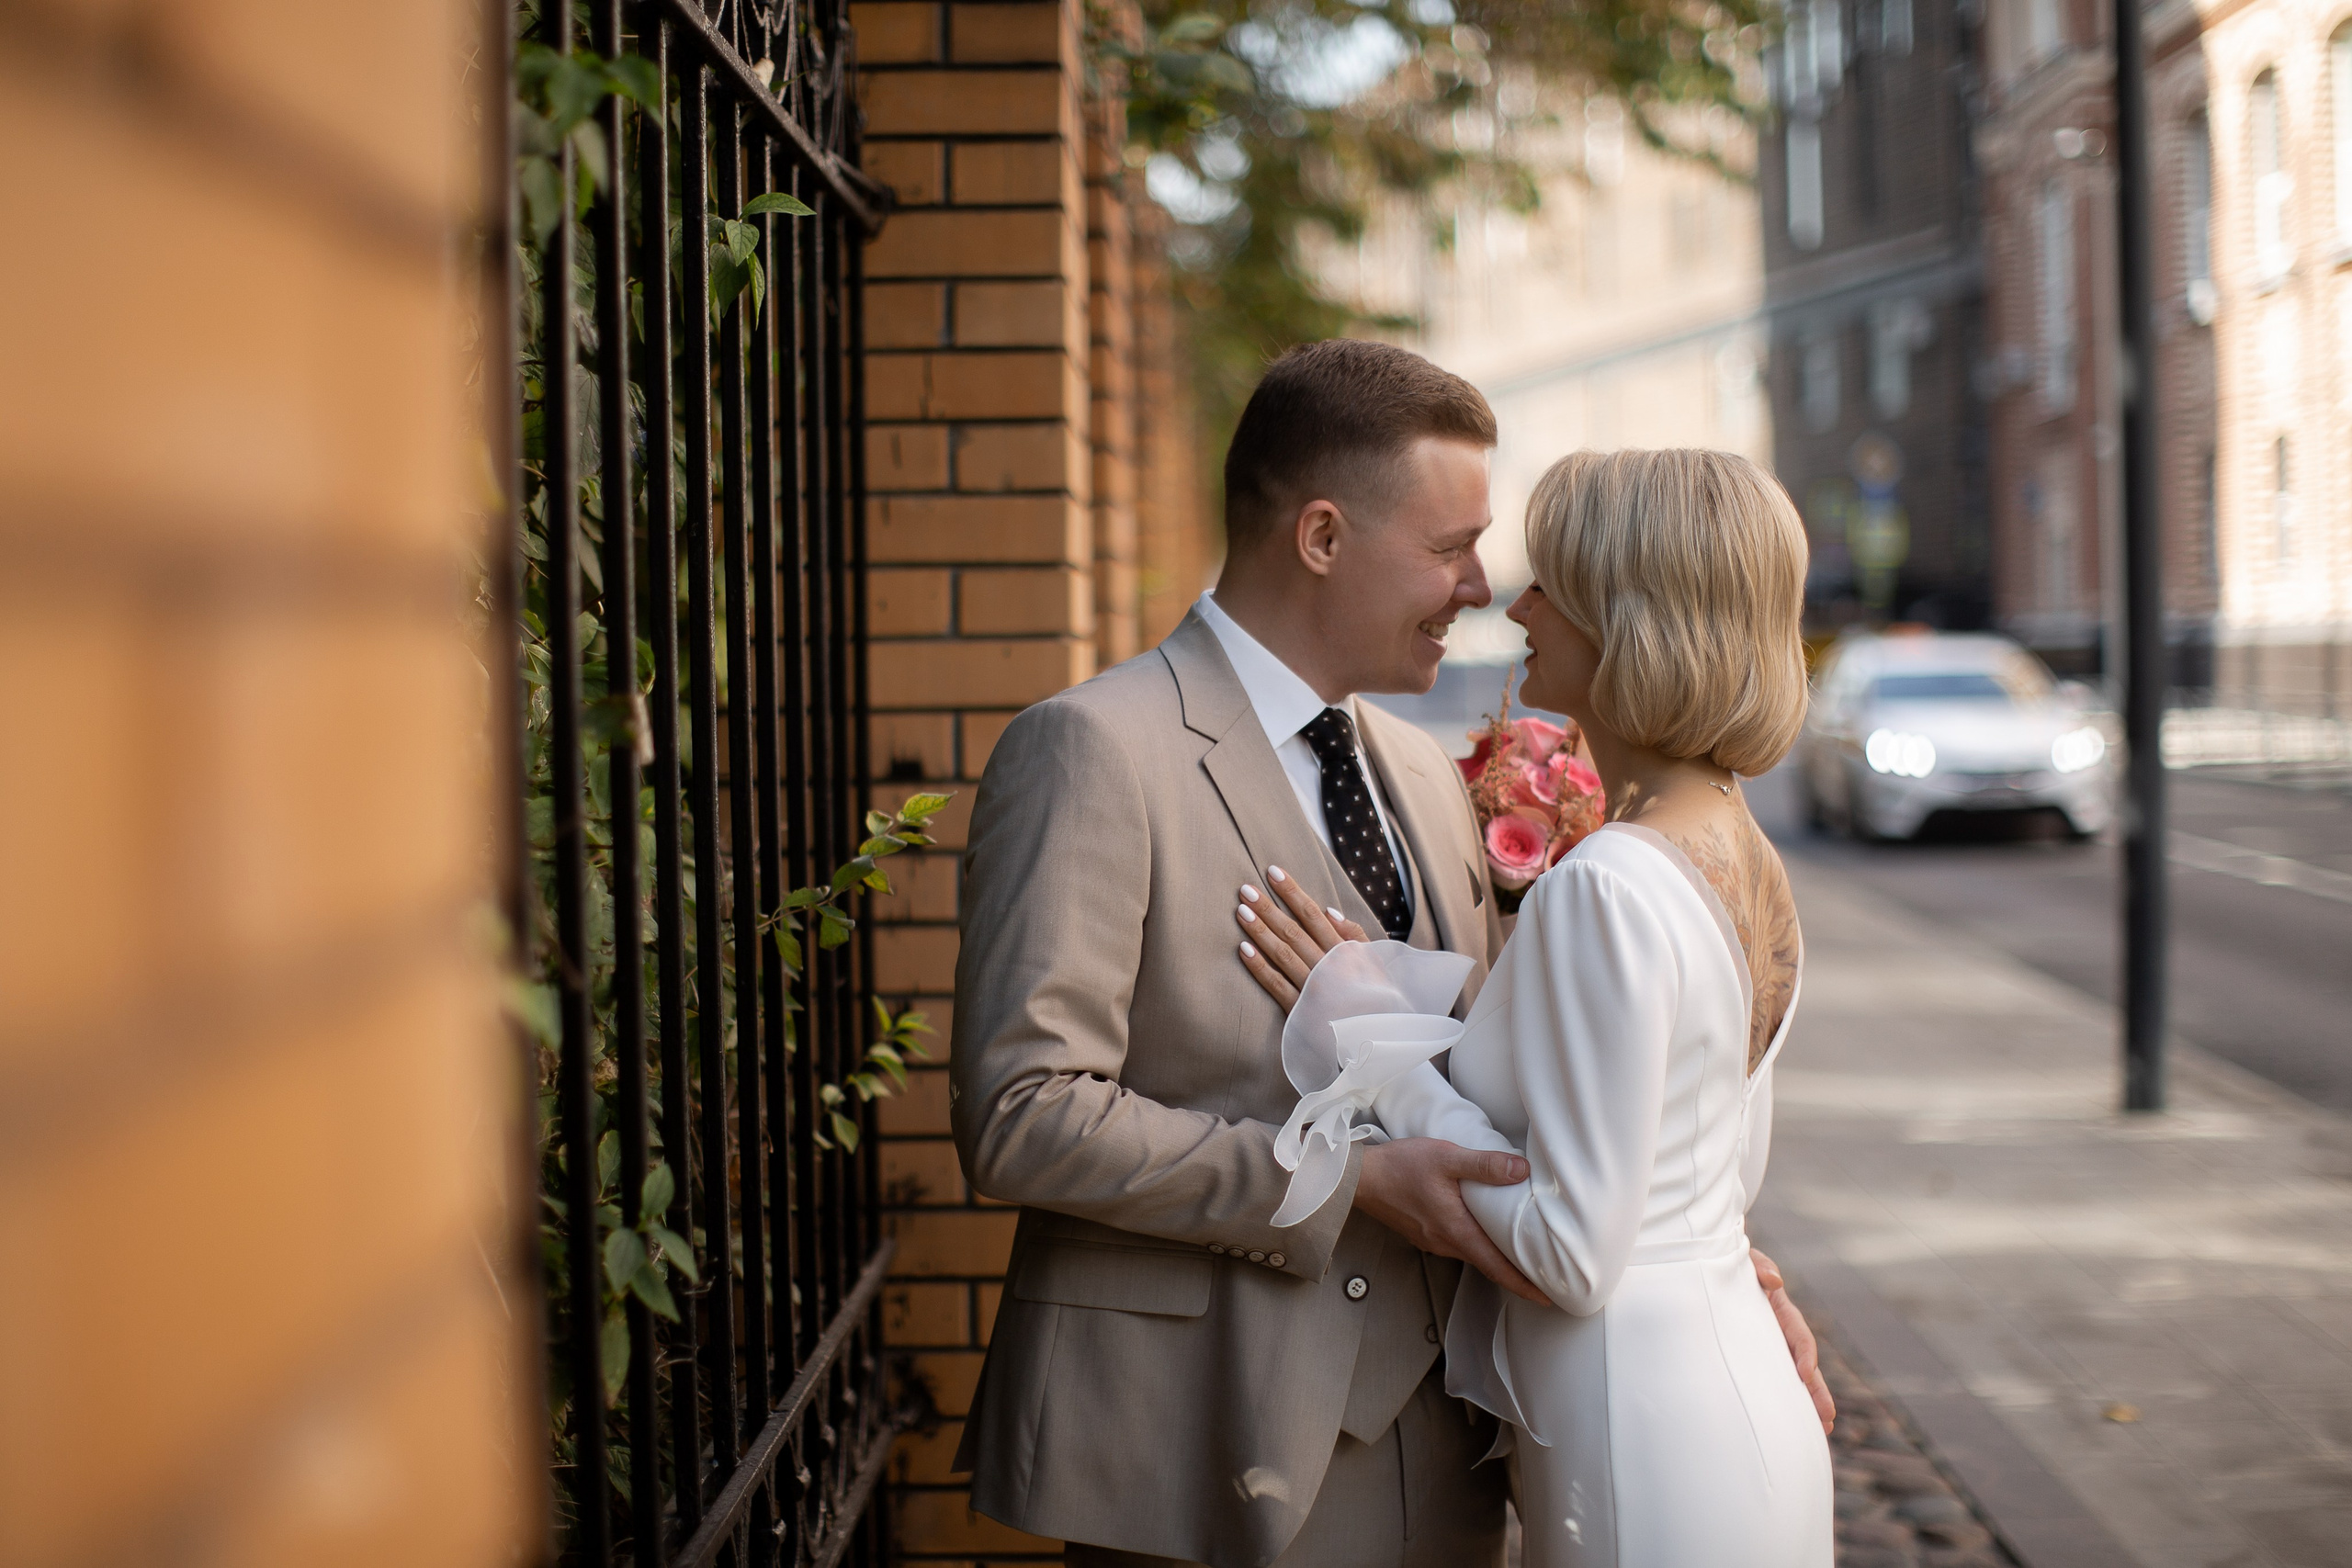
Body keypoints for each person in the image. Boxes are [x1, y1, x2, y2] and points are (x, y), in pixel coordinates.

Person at [1235, 447, 1837, 1566]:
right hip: (1719, 1394)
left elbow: (1570, 1250)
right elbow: (1697, 1159)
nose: (1517, 606)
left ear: (1632, 619)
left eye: (1550, 584)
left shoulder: (1608, 881)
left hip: (1641, 1443)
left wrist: (1375, 1045)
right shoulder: (1741, 851)